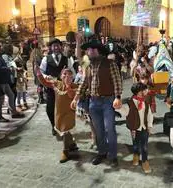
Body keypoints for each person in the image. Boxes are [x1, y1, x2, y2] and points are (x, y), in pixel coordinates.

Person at [71, 37, 122, 167]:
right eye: (88, 50)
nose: (89, 52)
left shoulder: (110, 63)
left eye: (91, 49)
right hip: (93, 102)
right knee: (99, 130)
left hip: (108, 101)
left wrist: (117, 97)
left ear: (97, 50)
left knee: (109, 128)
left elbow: (117, 80)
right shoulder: (88, 67)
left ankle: (113, 155)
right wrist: (76, 98)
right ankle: (102, 152)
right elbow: (83, 84)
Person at [36, 67, 78, 163]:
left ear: (72, 77)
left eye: (69, 75)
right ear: (60, 76)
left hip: (69, 113)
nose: (67, 76)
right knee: (64, 130)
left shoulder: (75, 86)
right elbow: (44, 82)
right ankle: (72, 144)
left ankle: (65, 151)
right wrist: (38, 72)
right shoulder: (57, 84)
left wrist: (68, 85)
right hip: (59, 112)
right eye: (64, 74)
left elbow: (71, 95)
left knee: (66, 130)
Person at [116, 82, 153, 173]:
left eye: (145, 90)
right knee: (135, 144)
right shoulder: (130, 102)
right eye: (143, 90)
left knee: (144, 146)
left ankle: (145, 161)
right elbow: (125, 112)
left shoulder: (145, 102)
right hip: (134, 128)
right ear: (138, 92)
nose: (145, 92)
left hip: (144, 128)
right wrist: (118, 108)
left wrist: (149, 126)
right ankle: (136, 155)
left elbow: (149, 114)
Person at [40, 38, 68, 136]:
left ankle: (62, 126)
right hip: (51, 87)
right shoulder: (46, 59)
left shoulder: (66, 59)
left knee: (62, 108)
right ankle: (53, 125)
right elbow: (41, 72)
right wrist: (45, 77)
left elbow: (72, 71)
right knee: (50, 108)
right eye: (54, 46)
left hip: (63, 88)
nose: (56, 47)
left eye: (58, 45)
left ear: (61, 47)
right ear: (51, 48)